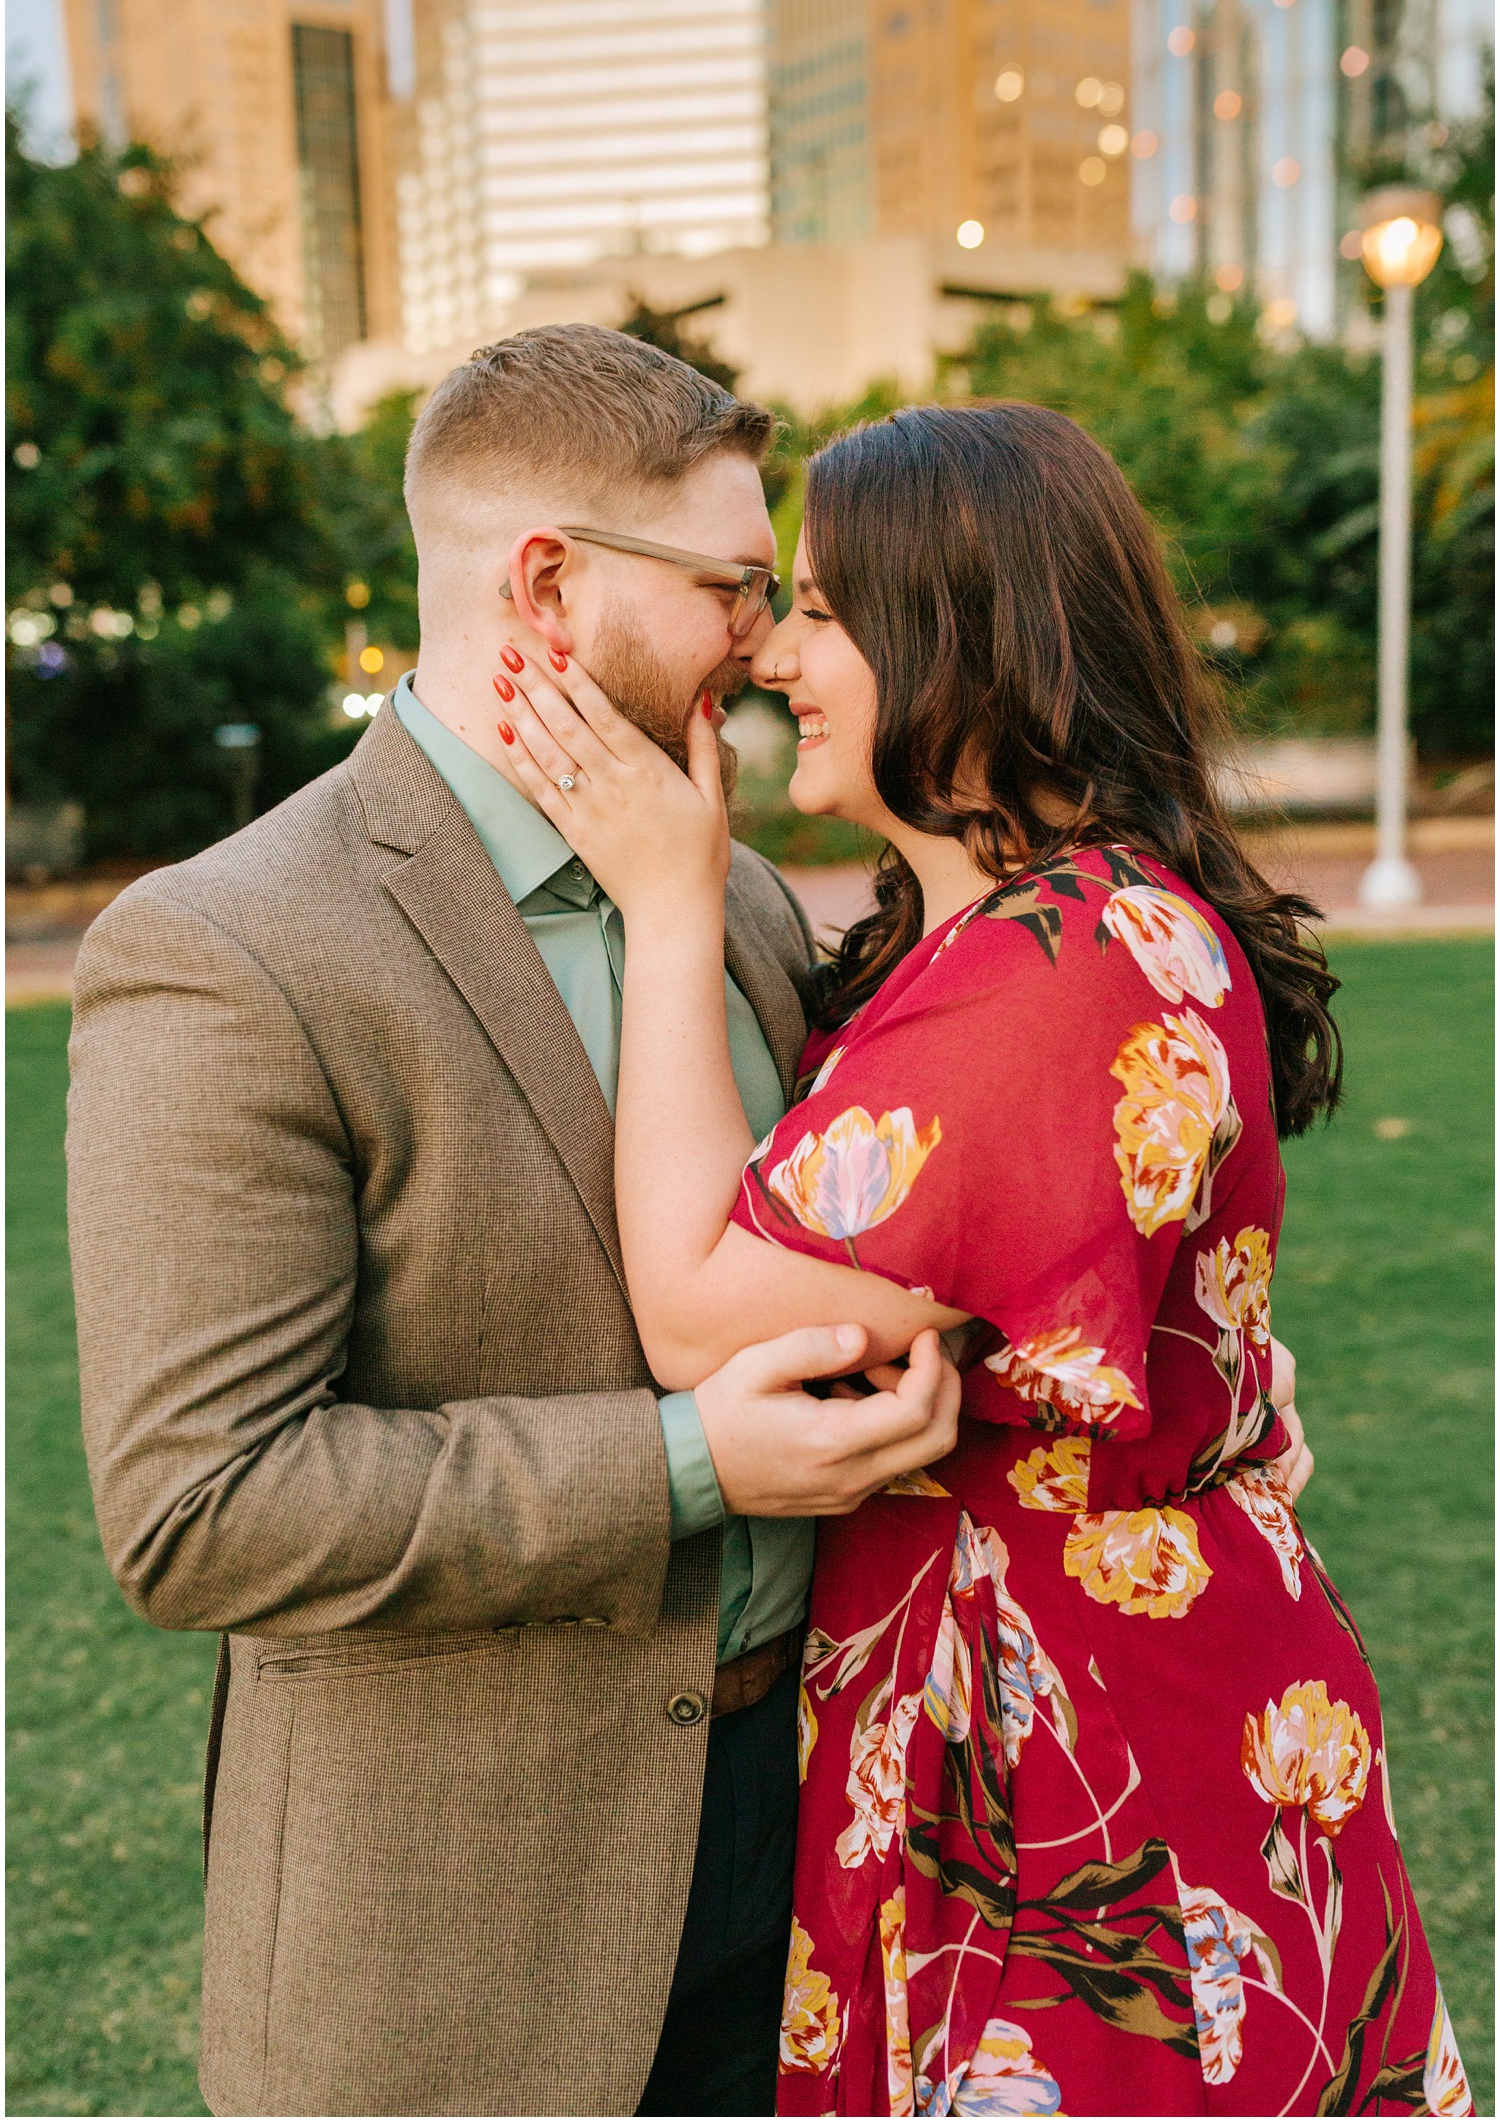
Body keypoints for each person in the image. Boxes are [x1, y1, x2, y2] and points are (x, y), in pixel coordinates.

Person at [492, 399, 1471, 2118]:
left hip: (1079, 1751)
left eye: (821, 607)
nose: (777, 651)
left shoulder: (1062, 964)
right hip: (1052, 1704)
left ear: (960, 629)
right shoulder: (1020, 927)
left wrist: (665, 900)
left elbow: (695, 1316)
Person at [64, 326, 967, 2120]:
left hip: (819, 1856)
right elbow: (199, 1511)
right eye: (735, 585)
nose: (769, 641)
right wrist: (692, 1464)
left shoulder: (751, 901)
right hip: (460, 1946)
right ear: (545, 585)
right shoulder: (230, 949)